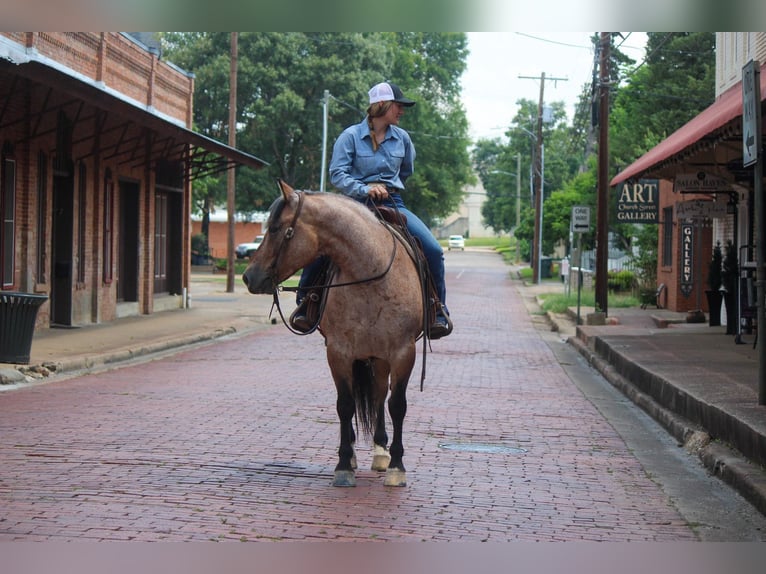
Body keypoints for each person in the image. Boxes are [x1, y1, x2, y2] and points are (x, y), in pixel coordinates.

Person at [291, 81, 452, 339]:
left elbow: (406, 171)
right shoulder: (350, 136)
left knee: (433, 250)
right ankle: (306, 305)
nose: (402, 111)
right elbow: (337, 174)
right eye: (398, 106)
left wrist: (387, 189)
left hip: (392, 204)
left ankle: (437, 310)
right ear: (382, 105)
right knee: (323, 247)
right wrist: (364, 189)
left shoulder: (403, 139)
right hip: (355, 206)